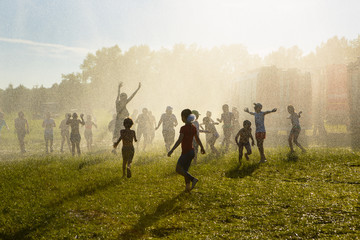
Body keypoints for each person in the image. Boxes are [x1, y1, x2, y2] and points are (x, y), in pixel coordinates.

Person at [168, 109, 205, 193]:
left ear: (185, 117)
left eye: (182, 117)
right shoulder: (193, 127)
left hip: (186, 152)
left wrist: (172, 150)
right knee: (185, 170)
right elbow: (197, 139)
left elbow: (179, 140)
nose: (181, 118)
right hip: (192, 152)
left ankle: (193, 179)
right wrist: (202, 147)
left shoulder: (183, 128)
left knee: (178, 169)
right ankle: (187, 187)